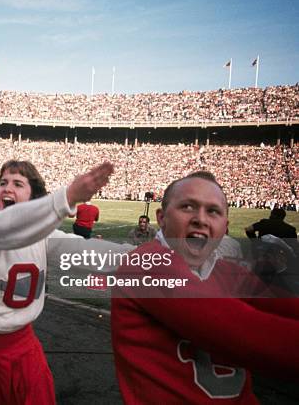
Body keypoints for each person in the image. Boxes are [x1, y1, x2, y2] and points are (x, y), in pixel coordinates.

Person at [0, 160, 132, 405]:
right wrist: (67, 197)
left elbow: (88, 251)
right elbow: (5, 228)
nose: (7, 188)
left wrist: (146, 256)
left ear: (34, 198)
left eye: (18, 183)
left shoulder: (44, 236)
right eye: (3, 183)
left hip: (22, 349)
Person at [111, 171, 299, 404]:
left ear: (225, 226)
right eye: (188, 207)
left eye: (213, 211)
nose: (201, 218)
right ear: (161, 218)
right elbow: (246, 334)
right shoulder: (145, 264)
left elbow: (288, 307)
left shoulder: (228, 273)